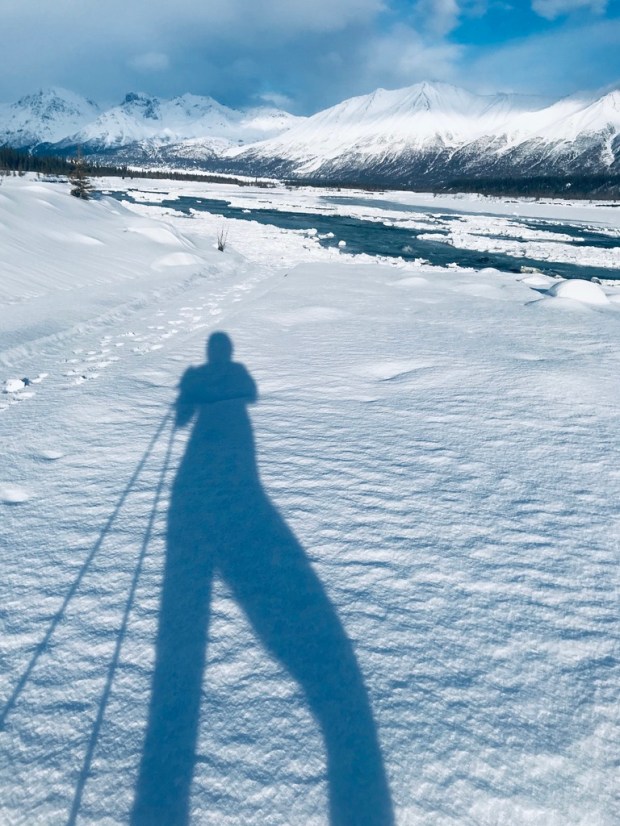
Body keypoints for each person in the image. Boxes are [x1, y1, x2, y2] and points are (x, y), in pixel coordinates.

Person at [131, 332, 393, 826]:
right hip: (234, 463)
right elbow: (249, 395)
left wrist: (185, 409)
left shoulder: (202, 377)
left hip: (209, 471)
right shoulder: (225, 376)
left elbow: (236, 396)